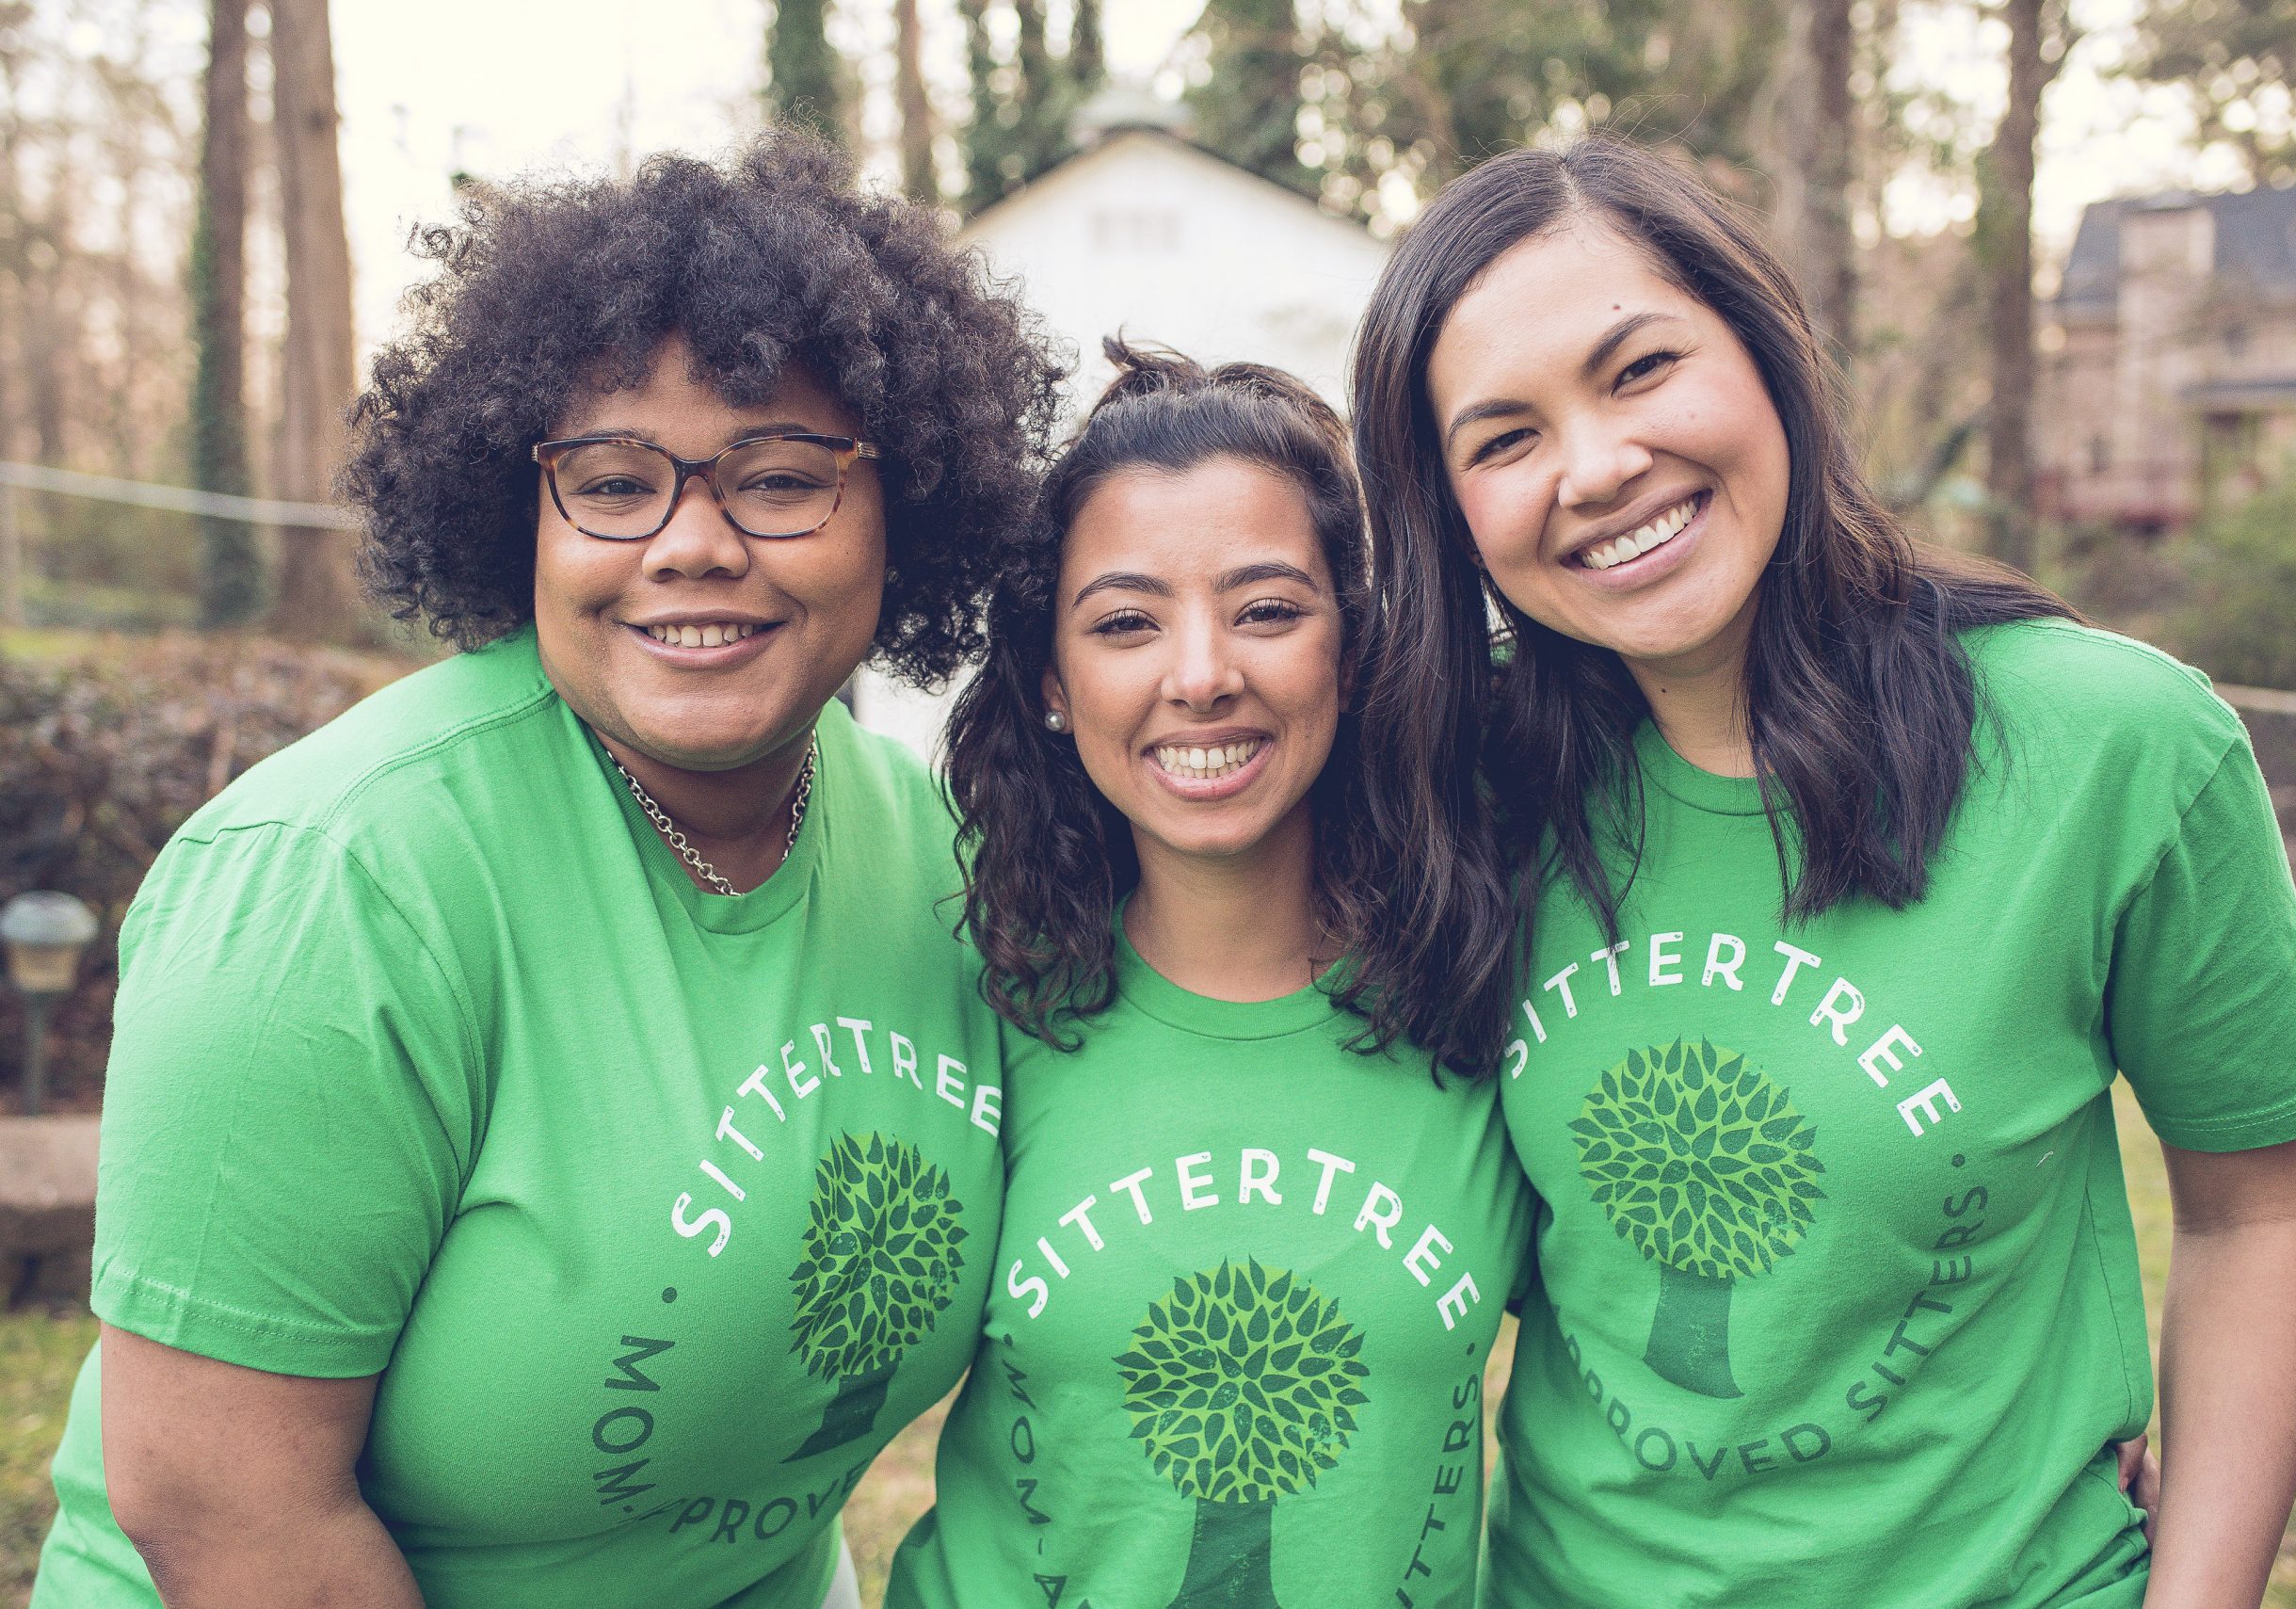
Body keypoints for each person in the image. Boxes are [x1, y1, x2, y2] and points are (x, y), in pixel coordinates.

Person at [34, 133, 1059, 1609]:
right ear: (519, 510)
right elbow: (228, 1514)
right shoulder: (338, 887)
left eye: (781, 475)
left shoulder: (931, 853)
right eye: (614, 479)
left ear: (907, 511)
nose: (694, 543)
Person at [1347, 135, 2296, 1609]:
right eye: (1504, 439)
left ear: (1771, 354)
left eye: (1639, 371)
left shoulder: (2111, 745)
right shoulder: (1467, 794)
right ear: (1450, 514)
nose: (1600, 465)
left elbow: (2257, 1211)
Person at [880, 341, 1533, 1609]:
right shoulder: (966, 997)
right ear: (1057, 686)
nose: (1200, 674)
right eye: (1126, 623)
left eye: (1268, 609)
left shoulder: (1481, 982)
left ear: (1353, 650)